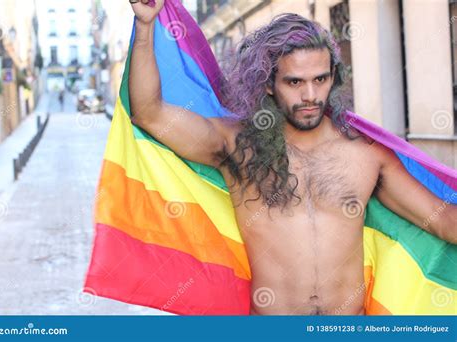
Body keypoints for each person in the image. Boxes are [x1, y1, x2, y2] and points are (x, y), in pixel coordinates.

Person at [128, 0, 457, 315]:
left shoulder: (367, 156)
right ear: (269, 84)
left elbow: (443, 222)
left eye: (320, 80)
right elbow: (149, 114)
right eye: (294, 82)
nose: (310, 95)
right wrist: (145, 24)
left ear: (333, 78)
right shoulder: (238, 147)